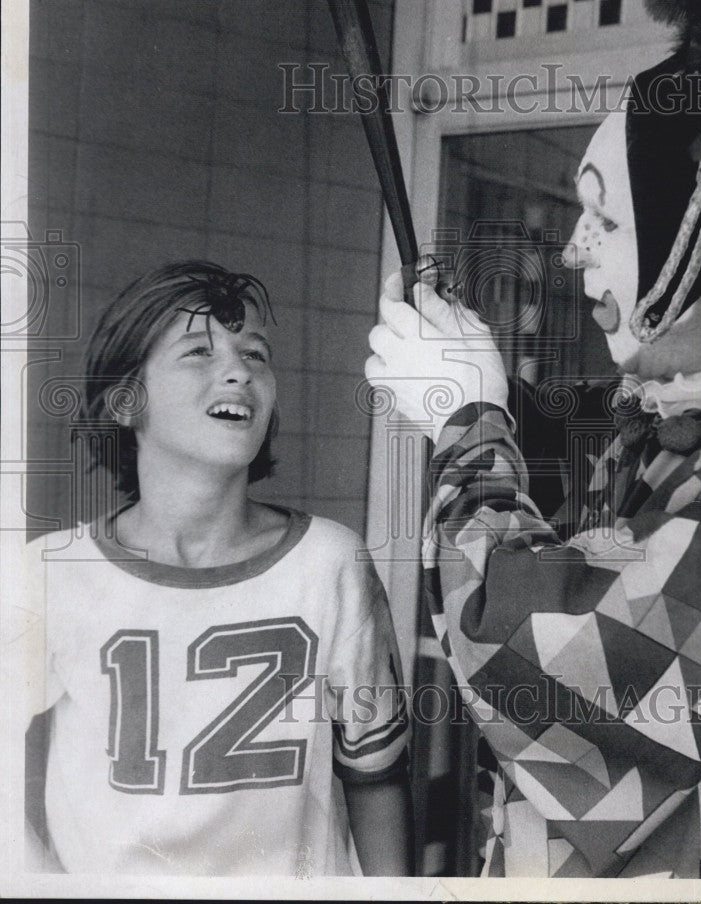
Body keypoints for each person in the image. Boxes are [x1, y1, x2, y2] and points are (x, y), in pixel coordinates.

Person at [365, 0, 701, 878]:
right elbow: (618, 525)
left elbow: (543, 662)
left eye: (603, 217)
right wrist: (505, 404)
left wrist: (468, 420)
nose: (574, 250)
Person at [21, 260, 412, 876]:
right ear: (127, 400)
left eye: (256, 354)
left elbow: (377, 780)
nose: (238, 370)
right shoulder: (47, 573)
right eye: (197, 352)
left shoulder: (331, 563)